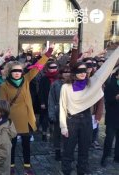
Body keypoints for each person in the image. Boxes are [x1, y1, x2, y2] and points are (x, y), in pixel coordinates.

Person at [59, 47, 119, 175]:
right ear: (74, 73)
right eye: (79, 71)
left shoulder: (92, 83)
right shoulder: (66, 87)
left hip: (86, 119)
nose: (82, 73)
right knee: (68, 151)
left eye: (84, 71)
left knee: (84, 151)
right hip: (71, 120)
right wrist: (63, 126)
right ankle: (66, 172)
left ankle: (82, 172)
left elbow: (106, 67)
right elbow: (62, 107)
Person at [0, 45, 54, 175]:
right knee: (11, 145)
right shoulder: (4, 85)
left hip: (26, 118)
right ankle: (11, 167)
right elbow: (3, 104)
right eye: (14, 71)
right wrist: (3, 121)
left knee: (26, 144)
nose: (17, 73)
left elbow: (37, 67)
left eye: (19, 70)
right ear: (10, 72)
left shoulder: (26, 80)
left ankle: (27, 167)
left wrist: (49, 52)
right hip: (11, 119)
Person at [48, 65, 71, 161]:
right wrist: (52, 114)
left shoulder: (73, 84)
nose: (67, 74)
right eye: (64, 72)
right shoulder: (56, 84)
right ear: (61, 73)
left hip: (71, 112)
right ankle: (58, 151)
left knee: (70, 133)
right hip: (59, 111)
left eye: (68, 72)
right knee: (58, 133)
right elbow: (51, 100)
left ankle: (68, 152)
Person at [101, 69, 119, 167]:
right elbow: (107, 102)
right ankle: (105, 157)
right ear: (117, 76)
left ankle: (117, 157)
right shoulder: (110, 85)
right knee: (109, 139)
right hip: (112, 117)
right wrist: (115, 98)